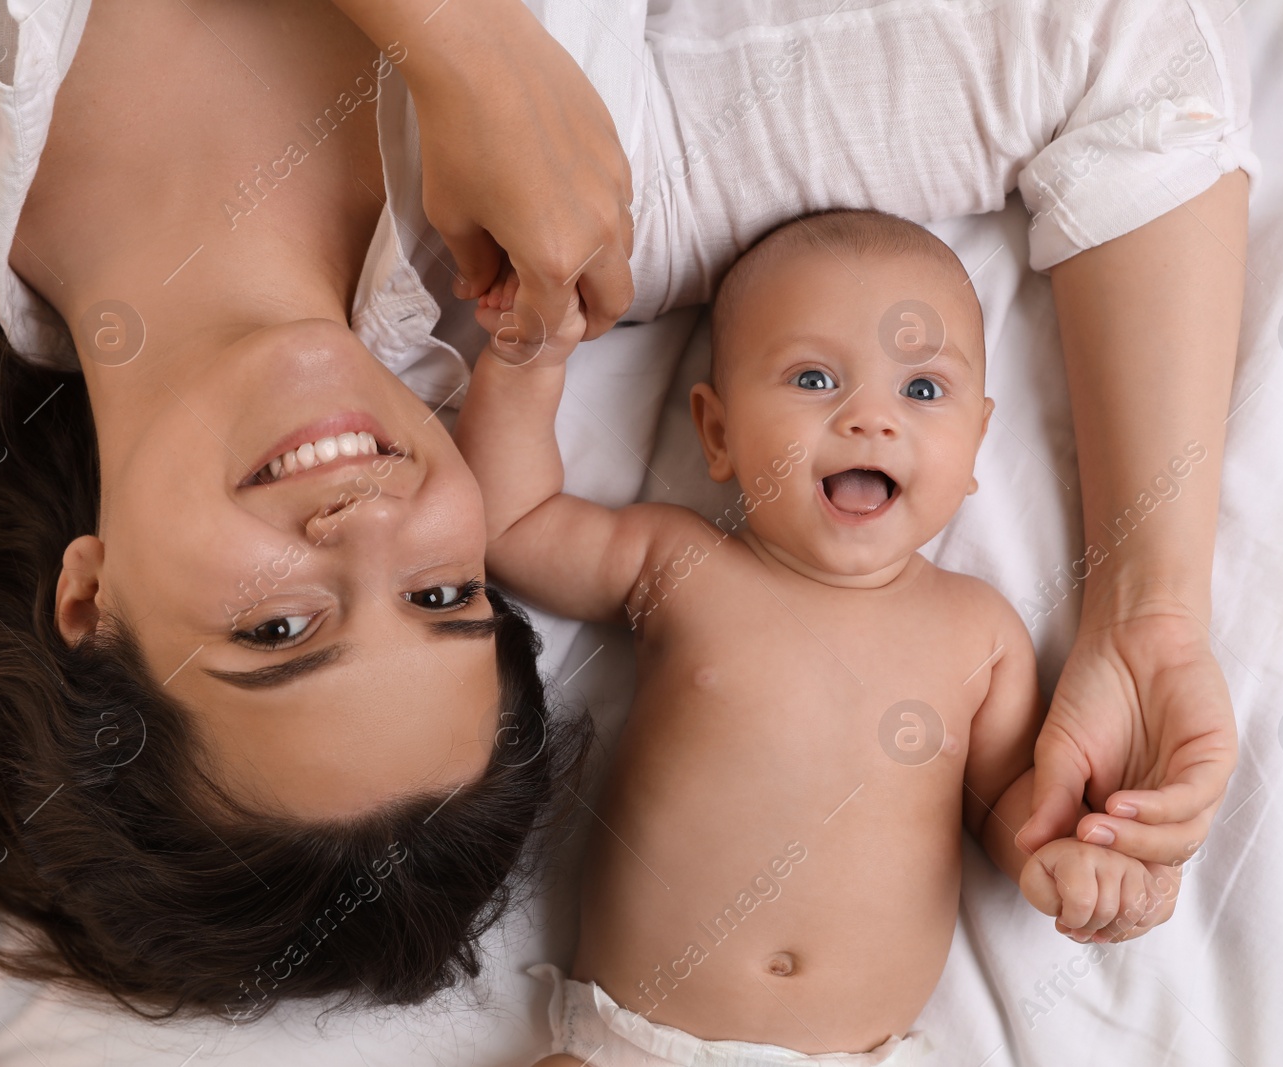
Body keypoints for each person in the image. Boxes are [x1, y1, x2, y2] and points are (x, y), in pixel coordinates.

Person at [0, 0, 1250, 1033]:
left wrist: (470, 51)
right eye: (442, 597)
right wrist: (1151, 611)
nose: (370, 524)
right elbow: (1118, 62)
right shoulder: (589, 207)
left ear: (89, 598)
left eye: (279, 621)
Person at [458, 210, 1177, 1067]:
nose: (871, 418)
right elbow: (512, 521)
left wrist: (1074, 861)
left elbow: (1009, 805)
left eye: (921, 390)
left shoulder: (978, 630)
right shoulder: (679, 563)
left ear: (978, 440)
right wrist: (528, 358)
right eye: (812, 379)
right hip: (633, 1045)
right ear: (718, 433)